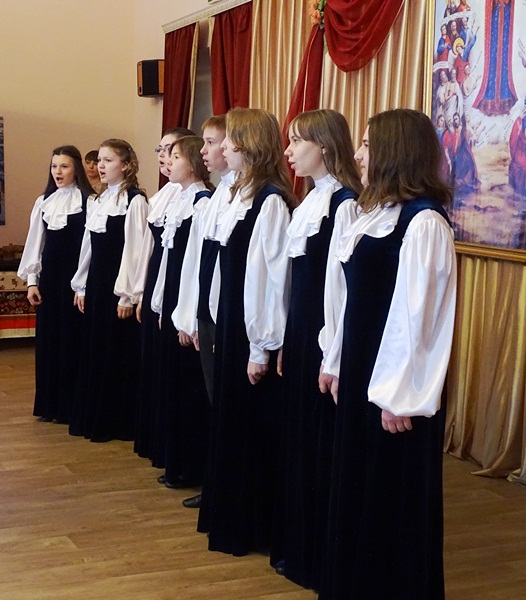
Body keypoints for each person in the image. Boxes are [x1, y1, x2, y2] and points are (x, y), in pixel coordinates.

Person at [318, 109, 457, 600]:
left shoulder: (425, 223)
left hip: (395, 389)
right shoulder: (377, 215)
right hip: (363, 372)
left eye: (367, 145)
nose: (358, 156)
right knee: (359, 486)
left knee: (390, 494)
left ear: (395, 152)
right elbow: (350, 301)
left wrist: (399, 395)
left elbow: (419, 320)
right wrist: (335, 360)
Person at [269, 109, 362, 590]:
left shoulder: (343, 204)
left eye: (298, 142)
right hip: (302, 332)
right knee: (299, 438)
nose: (288, 151)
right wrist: (287, 338)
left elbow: (338, 292)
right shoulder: (310, 200)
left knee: (318, 442)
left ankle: (316, 551)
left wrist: (332, 354)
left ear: (324, 146)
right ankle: (296, 542)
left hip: (323, 336)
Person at [198, 108, 295, 557]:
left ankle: (252, 525)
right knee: (231, 421)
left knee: (251, 427)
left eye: (230, 140)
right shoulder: (237, 194)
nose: (223, 147)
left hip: (250, 328)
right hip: (232, 324)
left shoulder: (269, 201)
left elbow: (271, 281)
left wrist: (261, 347)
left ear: (249, 145)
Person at [139, 135, 212, 492]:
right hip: (170, 300)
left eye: (177, 156)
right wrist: (157, 301)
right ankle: (176, 460)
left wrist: (187, 316)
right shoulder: (180, 201)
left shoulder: (201, 202)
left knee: (188, 387)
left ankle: (189, 466)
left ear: (195, 163)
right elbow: (166, 262)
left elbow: (196, 268)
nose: (168, 161)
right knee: (173, 383)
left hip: (186, 304)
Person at [171, 115, 234, 510]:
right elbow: (196, 263)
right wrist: (192, 314)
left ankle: (221, 489)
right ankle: (215, 485)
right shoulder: (221, 196)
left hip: (228, 318)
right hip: (207, 313)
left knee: (223, 406)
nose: (209, 150)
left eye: (214, 142)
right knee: (214, 402)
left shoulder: (248, 200)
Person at [70, 139, 147, 442]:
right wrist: (81, 285)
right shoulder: (99, 200)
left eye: (108, 160)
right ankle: (93, 417)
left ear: (126, 165)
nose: (100, 166)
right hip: (97, 284)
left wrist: (128, 295)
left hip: (117, 287)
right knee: (95, 348)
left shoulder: (134, 201)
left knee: (117, 352)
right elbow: (88, 247)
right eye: (99, 160)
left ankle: (117, 422)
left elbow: (136, 251)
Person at [18, 146, 96, 424]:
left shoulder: (89, 201)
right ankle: (50, 405)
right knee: (50, 342)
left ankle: (71, 406)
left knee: (73, 340)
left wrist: (82, 285)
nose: (58, 172)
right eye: (54, 166)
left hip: (76, 282)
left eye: (64, 166)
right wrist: (32, 282)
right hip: (50, 281)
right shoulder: (44, 202)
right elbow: (35, 245)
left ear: (76, 169)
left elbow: (90, 247)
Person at [132, 126, 194, 473]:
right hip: (158, 286)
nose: (164, 158)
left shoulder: (197, 200)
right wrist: (145, 292)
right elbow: (151, 252)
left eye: (172, 151)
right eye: (161, 151)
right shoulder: (165, 197)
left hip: (176, 292)